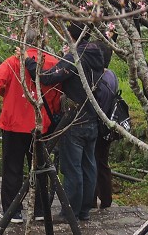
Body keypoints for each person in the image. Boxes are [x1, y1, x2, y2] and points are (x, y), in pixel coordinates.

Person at [25, 23, 105, 223]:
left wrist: (28, 62)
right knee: (89, 165)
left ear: (72, 36)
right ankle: (85, 209)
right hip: (92, 118)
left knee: (73, 168)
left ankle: (70, 211)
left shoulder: (75, 58)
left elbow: (48, 77)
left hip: (75, 119)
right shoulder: (96, 55)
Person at [0, 31, 61, 223]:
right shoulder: (52, 62)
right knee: (39, 168)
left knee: (12, 167)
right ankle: (40, 209)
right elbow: (56, 95)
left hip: (13, 123)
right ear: (43, 41)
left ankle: (13, 211)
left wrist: (7, 91)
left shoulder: (14, 61)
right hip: (40, 125)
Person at [92, 46, 118, 209]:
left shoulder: (97, 79)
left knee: (92, 162)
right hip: (109, 124)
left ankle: (92, 200)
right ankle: (106, 199)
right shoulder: (112, 75)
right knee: (102, 162)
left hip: (97, 125)